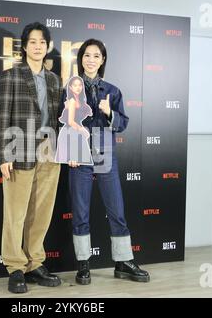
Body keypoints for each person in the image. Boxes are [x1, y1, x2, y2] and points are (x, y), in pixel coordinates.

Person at [62, 38, 150, 285]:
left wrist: (109, 112)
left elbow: (122, 124)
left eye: (96, 56)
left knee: (116, 209)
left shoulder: (112, 91)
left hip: (104, 149)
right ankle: (83, 264)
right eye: (87, 55)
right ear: (81, 60)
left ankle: (123, 261)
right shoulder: (70, 88)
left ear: (102, 60)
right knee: (80, 210)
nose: (91, 60)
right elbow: (63, 124)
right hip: (79, 151)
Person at [0, 22, 62, 293]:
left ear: (48, 47)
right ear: (25, 46)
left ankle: (35, 262)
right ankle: (15, 266)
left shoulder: (55, 80)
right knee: (15, 212)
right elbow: (2, 118)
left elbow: (60, 120)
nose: (37, 46)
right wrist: (4, 154)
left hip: (50, 151)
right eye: (32, 42)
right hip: (19, 149)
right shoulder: (10, 76)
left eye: (42, 42)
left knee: (41, 212)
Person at [55, 76, 93, 165]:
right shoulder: (72, 101)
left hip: (77, 132)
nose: (78, 87)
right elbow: (71, 121)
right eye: (75, 85)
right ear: (71, 88)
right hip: (70, 132)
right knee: (74, 161)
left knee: (81, 161)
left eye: (80, 85)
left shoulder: (81, 101)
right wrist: (83, 131)